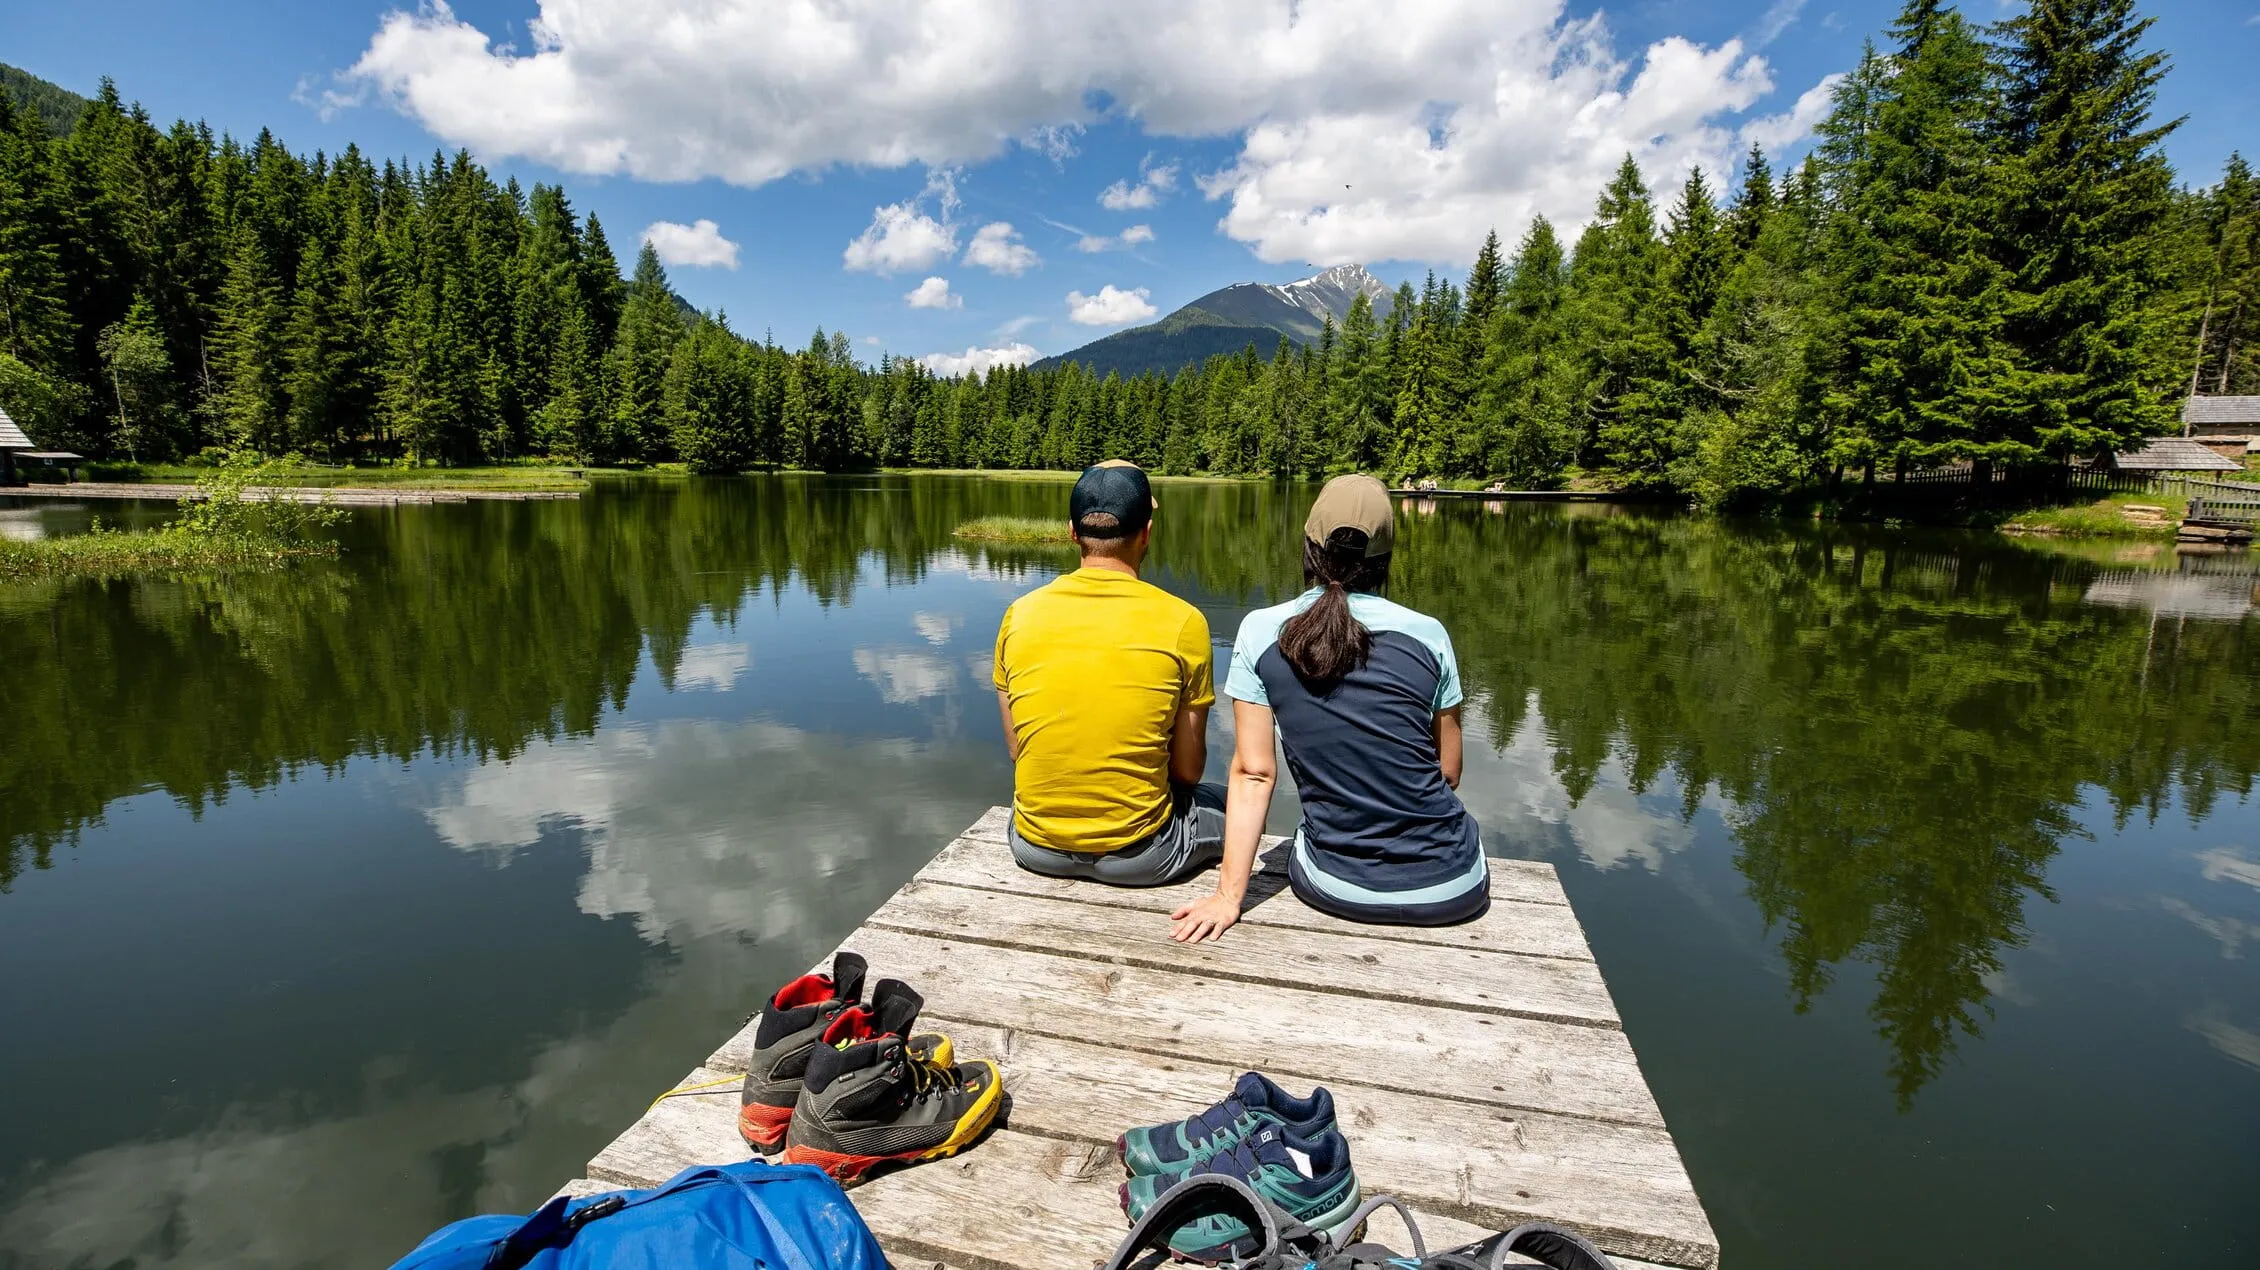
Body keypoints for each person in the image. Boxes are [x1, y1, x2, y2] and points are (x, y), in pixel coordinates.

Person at [1172, 474, 1488, 940]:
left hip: (1335, 884)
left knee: (1297, 838)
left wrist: (1226, 898)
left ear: (1309, 546)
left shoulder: (1262, 631)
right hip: (1452, 886)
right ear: (1385, 558)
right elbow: (1448, 772)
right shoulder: (1429, 634)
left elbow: (1255, 775)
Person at [993, 460, 1225, 886]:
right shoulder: (1184, 622)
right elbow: (1188, 773)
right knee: (1234, 804)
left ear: (1072, 532)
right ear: (1147, 533)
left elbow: (1016, 748)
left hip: (1033, 847)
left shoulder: (1018, 616)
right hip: (1142, 855)